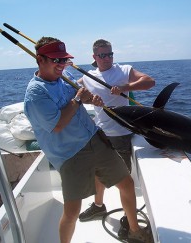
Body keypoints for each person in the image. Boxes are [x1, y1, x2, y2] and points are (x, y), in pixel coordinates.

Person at [24, 37, 153, 243]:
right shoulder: (35, 93)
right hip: (71, 154)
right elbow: (57, 124)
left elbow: (79, 94)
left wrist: (88, 98)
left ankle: (135, 231)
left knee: (127, 183)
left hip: (94, 138)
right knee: (72, 211)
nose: (61, 65)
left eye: (64, 60)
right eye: (56, 60)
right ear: (40, 60)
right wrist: (77, 100)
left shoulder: (65, 77)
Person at [77, 39, 155, 236]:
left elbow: (149, 81)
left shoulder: (123, 70)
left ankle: (130, 223)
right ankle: (98, 205)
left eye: (110, 54)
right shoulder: (88, 76)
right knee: (98, 173)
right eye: (102, 55)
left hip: (121, 134)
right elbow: (76, 91)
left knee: (124, 182)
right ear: (94, 57)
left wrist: (125, 87)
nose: (107, 58)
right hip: (99, 132)